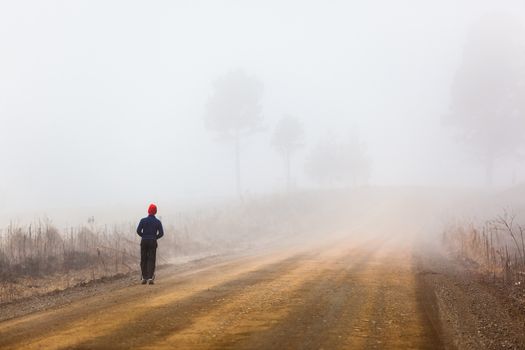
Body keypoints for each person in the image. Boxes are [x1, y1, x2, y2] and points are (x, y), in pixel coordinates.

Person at [136, 203, 164, 285]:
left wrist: (144, 236)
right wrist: (155, 237)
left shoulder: (143, 220)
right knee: (151, 259)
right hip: (152, 241)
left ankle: (144, 278)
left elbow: (138, 231)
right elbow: (161, 233)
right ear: (155, 212)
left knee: (143, 259)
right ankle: (150, 278)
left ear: (148, 211)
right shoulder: (158, 222)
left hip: (144, 241)